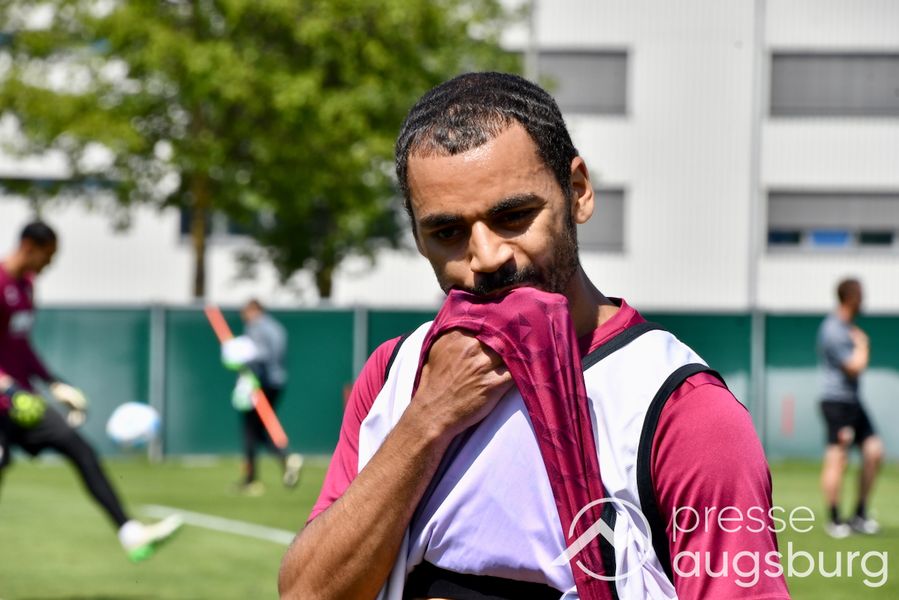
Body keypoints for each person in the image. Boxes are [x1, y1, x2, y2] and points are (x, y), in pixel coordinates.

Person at [279, 72, 789, 599]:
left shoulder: (681, 408)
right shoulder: (397, 373)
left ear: (578, 192)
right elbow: (305, 594)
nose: (487, 257)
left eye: (514, 216)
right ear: (418, 237)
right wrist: (428, 419)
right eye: (448, 231)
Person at [0, 221, 182, 562]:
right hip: (5, 398)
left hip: (22, 402)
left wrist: (54, 383)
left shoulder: (27, 286)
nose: (50, 263)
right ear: (28, 246)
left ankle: (130, 533)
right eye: (48, 255)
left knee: (79, 447)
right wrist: (6, 386)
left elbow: (22, 347)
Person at [817, 278, 883, 538]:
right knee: (838, 458)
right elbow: (855, 367)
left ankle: (859, 514)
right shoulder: (833, 330)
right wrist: (863, 345)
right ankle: (835, 519)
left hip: (853, 402)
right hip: (837, 403)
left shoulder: (846, 328)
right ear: (851, 297)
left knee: (874, 451)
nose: (864, 300)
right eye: (861, 295)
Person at [225, 299, 303, 495]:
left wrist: (239, 355)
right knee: (259, 429)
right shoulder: (276, 327)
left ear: (254, 310)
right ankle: (285, 458)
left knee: (250, 430)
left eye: (245, 312)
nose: (244, 316)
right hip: (274, 383)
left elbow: (261, 354)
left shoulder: (257, 327)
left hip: (260, 383)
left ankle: (252, 479)